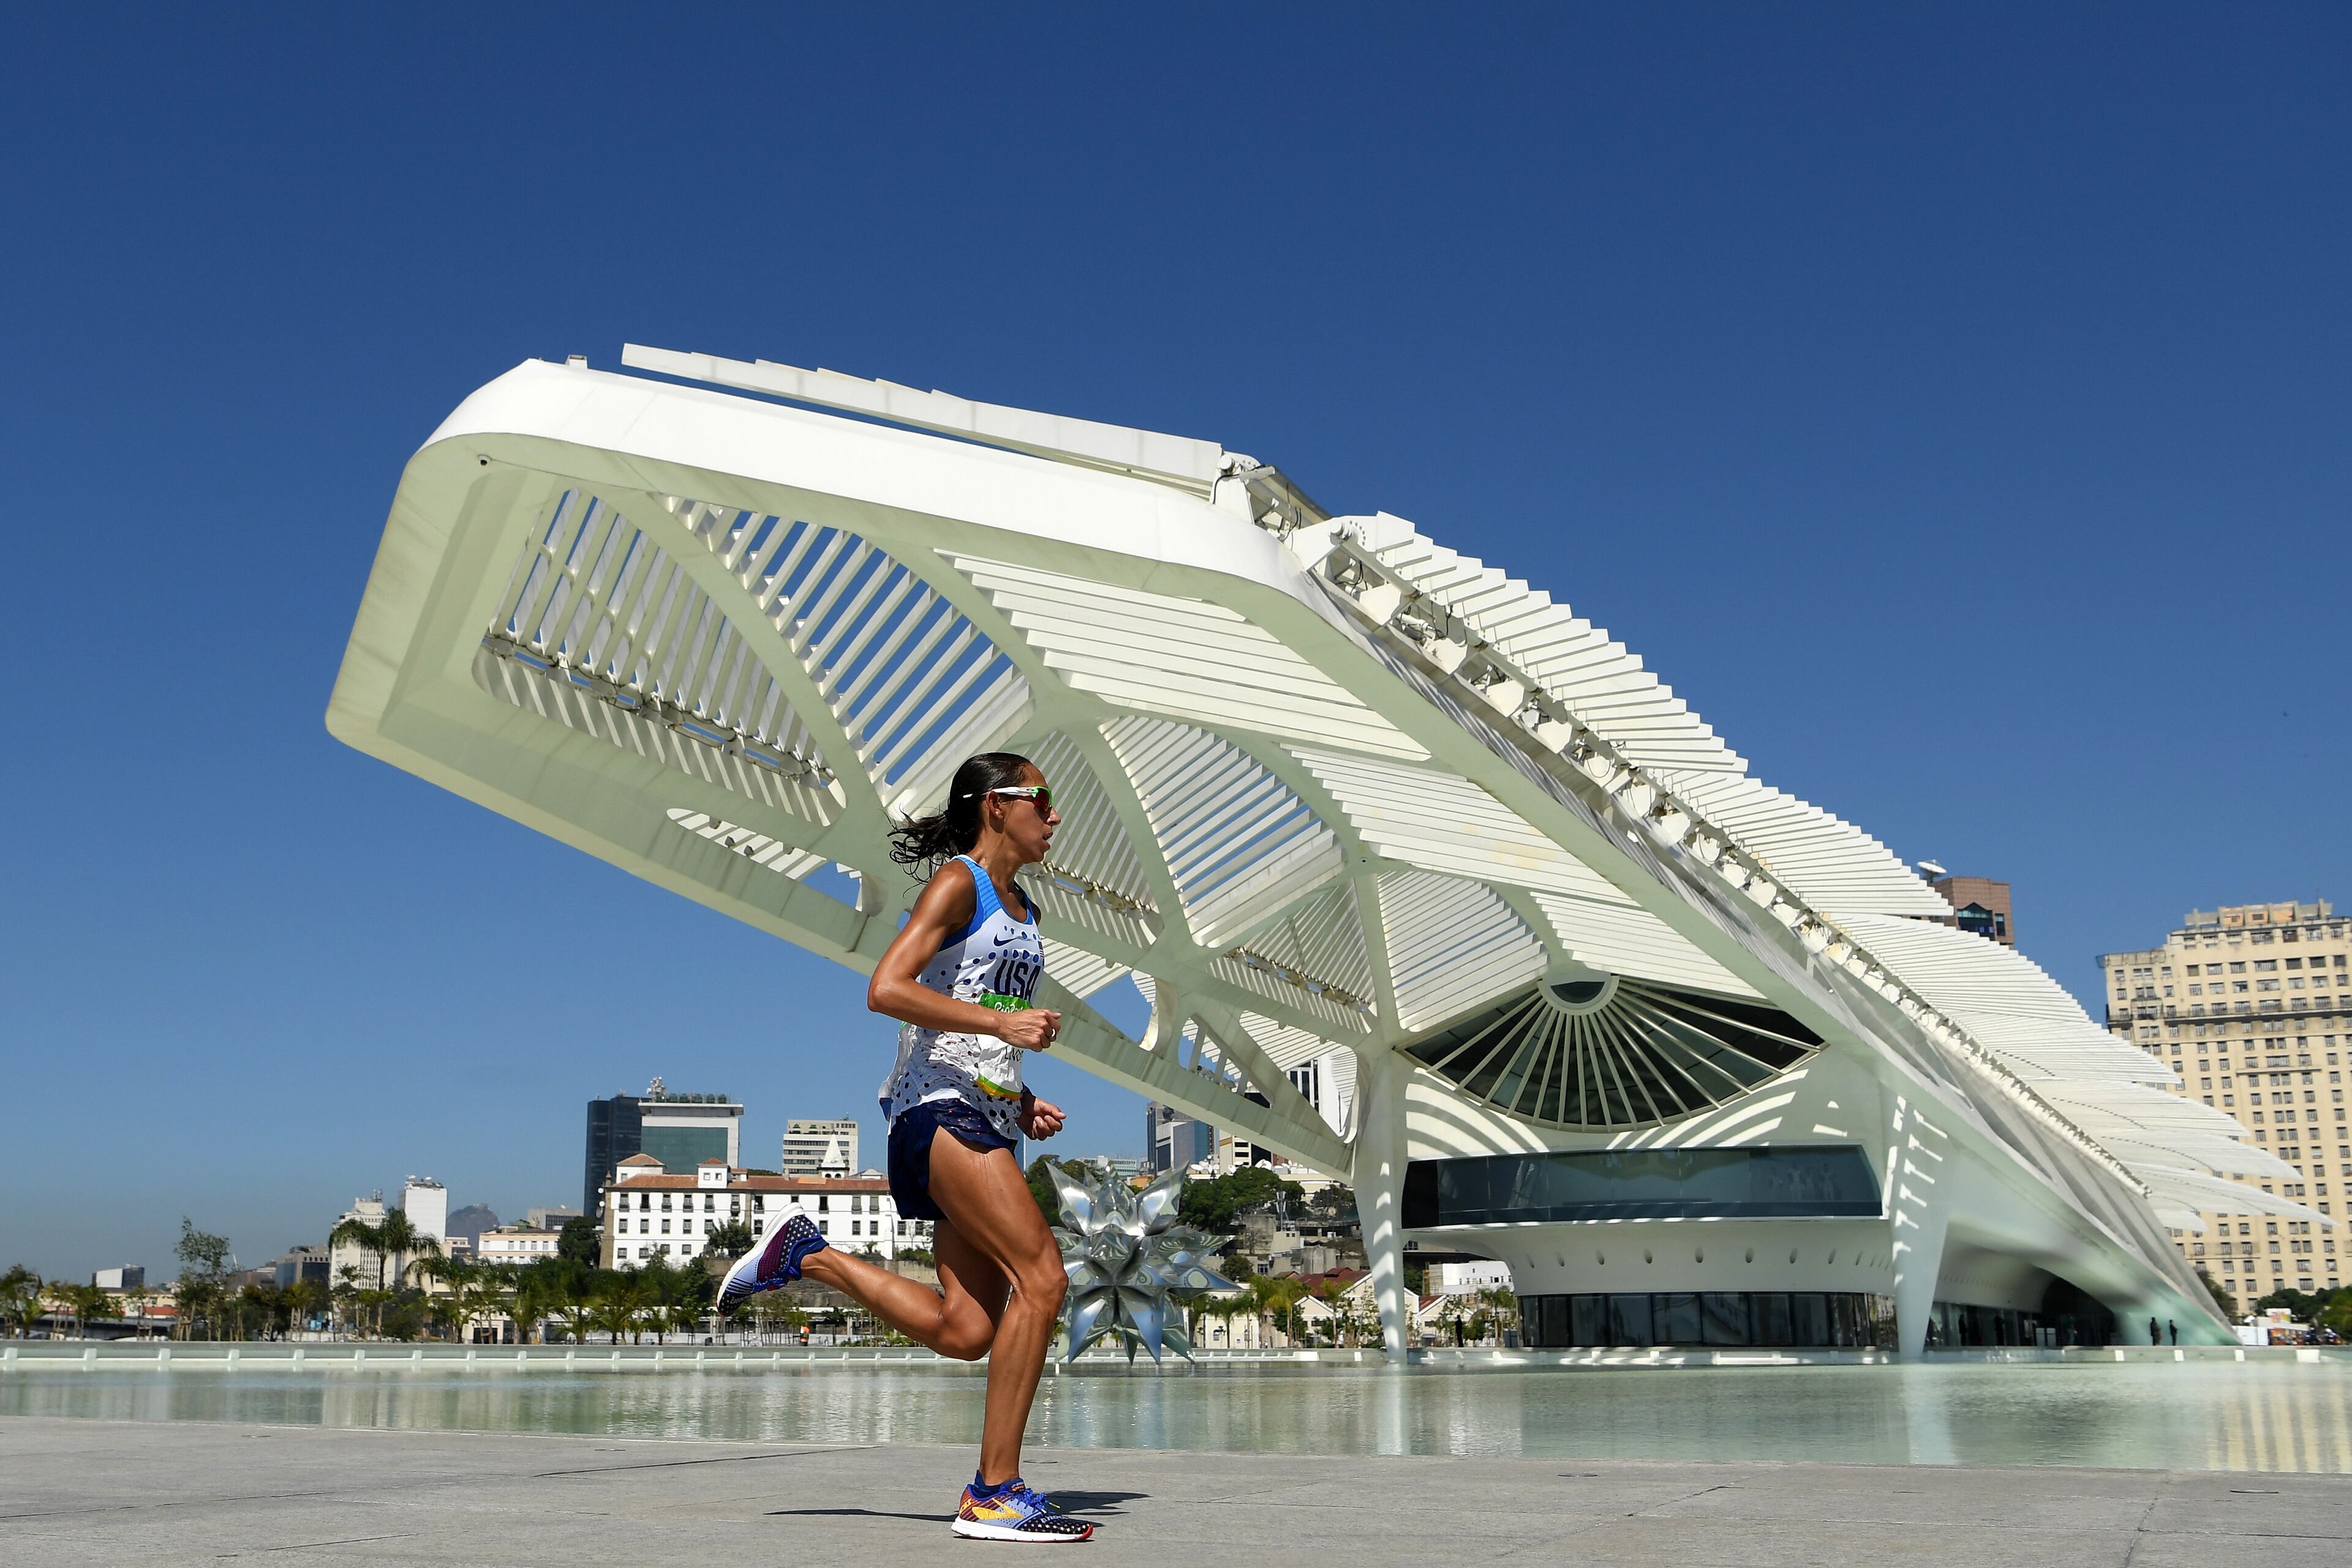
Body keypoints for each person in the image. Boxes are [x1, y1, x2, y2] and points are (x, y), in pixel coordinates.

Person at [718, 752, 1089, 1543]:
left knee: (968, 1331)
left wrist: (1020, 1099)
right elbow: (886, 988)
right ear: (996, 807)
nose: (1054, 818)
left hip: (983, 1116)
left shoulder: (1026, 910)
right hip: (935, 1114)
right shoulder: (960, 884)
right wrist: (1002, 1026)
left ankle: (807, 1257)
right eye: (1041, 801)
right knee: (1045, 1280)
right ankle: (993, 1492)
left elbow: (970, 1011)